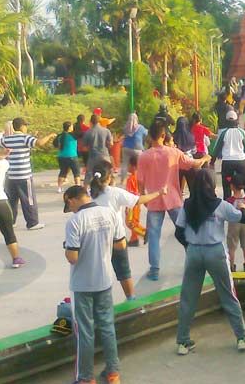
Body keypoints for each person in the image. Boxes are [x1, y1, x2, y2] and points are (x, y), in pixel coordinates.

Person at [173, 170, 245, 355]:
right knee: (228, 295)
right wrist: (242, 207)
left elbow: (179, 231)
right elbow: (242, 217)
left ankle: (183, 341)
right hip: (215, 252)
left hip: (194, 252)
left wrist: (191, 246)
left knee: (188, 298)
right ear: (213, 184)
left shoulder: (187, 205)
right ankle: (242, 337)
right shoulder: (220, 205)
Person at [63, 185, 125, 384]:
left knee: (85, 332)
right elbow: (121, 244)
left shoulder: (75, 221)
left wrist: (67, 247)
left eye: (68, 205)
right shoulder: (109, 213)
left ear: (71, 199)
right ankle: (113, 372)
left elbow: (73, 257)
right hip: (105, 279)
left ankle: (85, 377)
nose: (70, 209)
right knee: (107, 326)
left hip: (82, 284)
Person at [137, 121, 211, 281]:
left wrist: (143, 197)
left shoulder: (143, 156)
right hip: (173, 199)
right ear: (163, 136)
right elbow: (194, 164)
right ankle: (195, 264)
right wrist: (205, 157)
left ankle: (155, 270)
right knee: (186, 232)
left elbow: (140, 181)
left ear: (150, 136)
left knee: (154, 236)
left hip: (154, 200)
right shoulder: (173, 153)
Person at [89, 160, 167, 300]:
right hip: (117, 239)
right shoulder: (114, 192)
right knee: (124, 272)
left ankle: (100, 301)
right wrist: (159, 193)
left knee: (99, 273)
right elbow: (138, 200)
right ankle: (131, 298)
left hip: (97, 240)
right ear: (110, 176)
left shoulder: (90, 193)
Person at [0, 117, 56, 230]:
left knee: (11, 200)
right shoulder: (25, 138)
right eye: (26, 126)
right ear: (22, 126)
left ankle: (11, 221)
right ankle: (32, 222)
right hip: (24, 175)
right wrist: (50, 136)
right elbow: (39, 143)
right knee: (29, 199)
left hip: (10, 175)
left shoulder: (6, 139)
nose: (26, 128)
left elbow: (0, 147)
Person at [212, 110, 245, 202]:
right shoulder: (242, 132)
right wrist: (243, 155)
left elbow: (217, 148)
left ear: (227, 121)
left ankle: (227, 202)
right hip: (241, 161)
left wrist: (212, 161)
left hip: (227, 162)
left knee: (227, 184)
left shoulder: (224, 133)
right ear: (236, 120)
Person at [225, 175, 245, 272]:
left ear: (232, 186)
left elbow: (227, 212)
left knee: (231, 247)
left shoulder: (230, 200)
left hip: (233, 224)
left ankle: (232, 266)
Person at [82, 114, 112, 185]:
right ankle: (109, 188)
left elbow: (84, 147)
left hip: (93, 156)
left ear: (90, 121)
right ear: (99, 121)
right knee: (108, 172)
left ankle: (85, 191)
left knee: (89, 174)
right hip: (105, 155)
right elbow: (111, 144)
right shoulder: (106, 131)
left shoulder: (88, 132)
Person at [124, 154, 146, 246]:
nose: (127, 167)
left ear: (133, 166)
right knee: (134, 221)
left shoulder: (131, 178)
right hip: (137, 203)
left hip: (132, 204)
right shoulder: (140, 177)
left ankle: (145, 233)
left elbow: (131, 193)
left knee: (130, 222)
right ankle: (134, 239)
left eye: (128, 165)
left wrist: (128, 206)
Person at [121, 113, 147, 184]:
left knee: (124, 164)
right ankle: (139, 181)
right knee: (140, 165)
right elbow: (146, 134)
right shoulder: (140, 127)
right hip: (137, 149)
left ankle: (122, 181)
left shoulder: (126, 127)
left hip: (126, 148)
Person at [55, 121, 81, 193]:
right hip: (72, 156)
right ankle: (78, 187)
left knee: (63, 172)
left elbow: (55, 144)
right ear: (69, 127)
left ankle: (59, 188)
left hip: (61, 156)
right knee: (76, 173)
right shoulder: (73, 135)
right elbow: (81, 135)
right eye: (72, 126)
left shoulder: (60, 136)